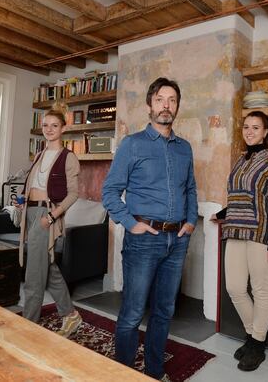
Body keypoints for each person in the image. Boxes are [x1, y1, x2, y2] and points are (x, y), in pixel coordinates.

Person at [102, 77, 197, 380]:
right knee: (132, 313)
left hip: (177, 241)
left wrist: (191, 221)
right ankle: (125, 374)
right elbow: (110, 193)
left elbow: (191, 189)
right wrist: (132, 224)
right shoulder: (132, 144)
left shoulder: (185, 149)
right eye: (160, 99)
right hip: (144, 241)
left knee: (164, 311)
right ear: (149, 105)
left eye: (172, 100)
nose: (166, 105)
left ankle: (154, 372)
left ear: (177, 106)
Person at [215, 111, 268, 372]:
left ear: (266, 132)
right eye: (246, 127)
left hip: (260, 234)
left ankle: (256, 344)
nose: (249, 131)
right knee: (234, 288)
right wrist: (221, 214)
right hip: (235, 232)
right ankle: (253, 335)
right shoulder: (239, 161)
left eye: (255, 127)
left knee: (260, 290)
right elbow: (239, 197)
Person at [19, 104, 82, 338]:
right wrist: (22, 202)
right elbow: (33, 186)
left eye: (54, 126)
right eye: (45, 125)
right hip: (31, 213)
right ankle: (70, 315)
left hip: (47, 216)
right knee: (48, 268)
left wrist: (51, 217)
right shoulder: (39, 155)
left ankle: (28, 327)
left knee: (34, 276)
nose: (49, 129)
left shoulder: (69, 158)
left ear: (63, 129)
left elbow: (73, 194)